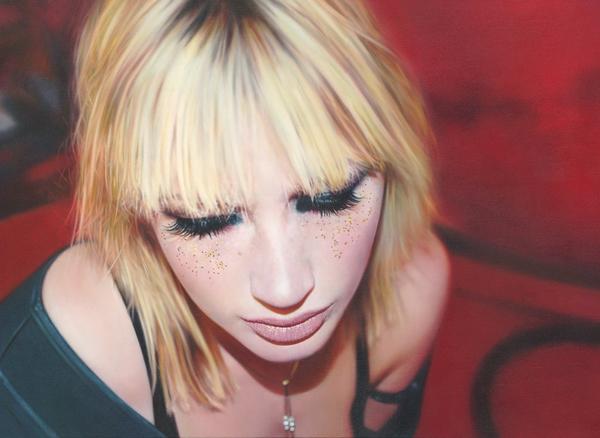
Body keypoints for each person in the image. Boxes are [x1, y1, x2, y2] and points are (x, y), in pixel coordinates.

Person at [0, 0, 450, 436]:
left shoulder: (412, 295)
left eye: (331, 198)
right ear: (132, 207)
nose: (285, 289)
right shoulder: (56, 369)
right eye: (206, 220)